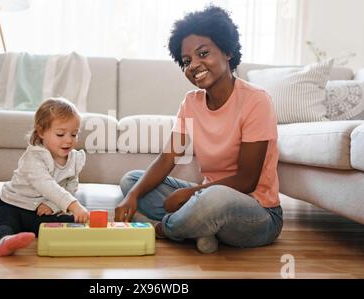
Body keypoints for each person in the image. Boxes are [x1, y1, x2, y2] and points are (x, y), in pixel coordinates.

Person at [115, 5, 283, 253]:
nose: (193, 65)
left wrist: (191, 194)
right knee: (132, 182)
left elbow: (247, 180)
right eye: (186, 61)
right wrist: (132, 196)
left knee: (214, 200)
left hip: (257, 212)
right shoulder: (191, 102)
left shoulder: (256, 100)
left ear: (227, 51)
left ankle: (165, 228)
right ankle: (198, 230)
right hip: (203, 199)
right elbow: (167, 158)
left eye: (203, 53)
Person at [0, 98, 89, 256]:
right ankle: (5, 241)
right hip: (13, 205)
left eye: (74, 134)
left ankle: (75, 232)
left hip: (38, 212)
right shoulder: (34, 157)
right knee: (6, 223)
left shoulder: (74, 159)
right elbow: (46, 184)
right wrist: (74, 205)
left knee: (67, 222)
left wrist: (53, 205)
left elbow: (70, 186)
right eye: (60, 134)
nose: (69, 140)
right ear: (42, 131)